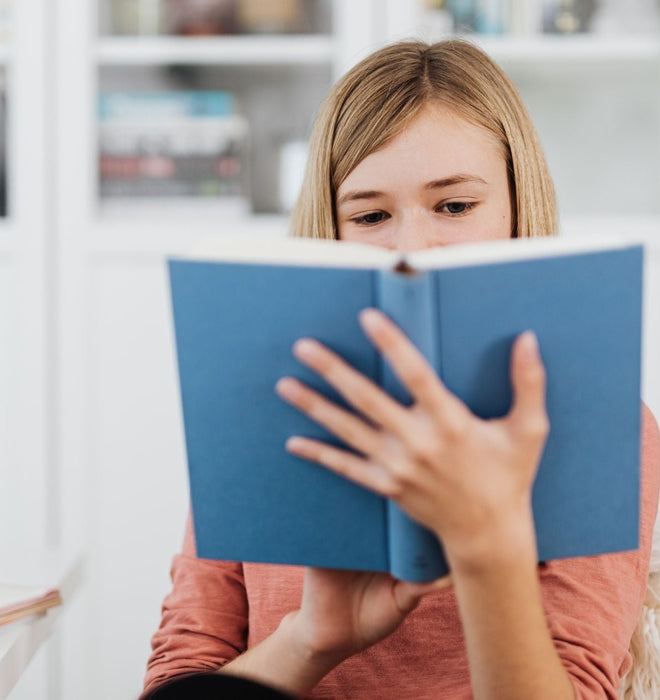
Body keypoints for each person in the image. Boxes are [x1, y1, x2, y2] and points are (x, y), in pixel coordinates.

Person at [141, 39, 660, 699]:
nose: (412, 247)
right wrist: (308, 640)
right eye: (371, 215)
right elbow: (179, 679)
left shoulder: (602, 427)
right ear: (330, 229)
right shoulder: (264, 421)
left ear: (517, 213)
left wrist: (484, 545)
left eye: (454, 206)